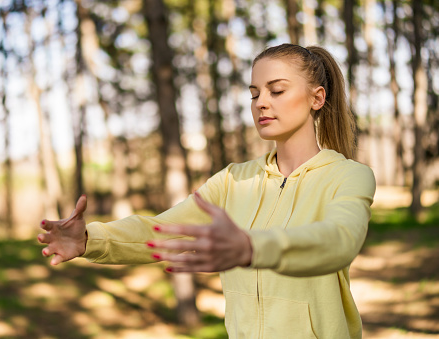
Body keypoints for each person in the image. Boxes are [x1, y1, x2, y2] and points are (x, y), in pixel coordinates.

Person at [37, 43, 376, 339]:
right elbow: (163, 231)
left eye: (277, 90)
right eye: (255, 93)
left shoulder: (349, 176)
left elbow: (338, 240)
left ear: (317, 98)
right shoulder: (233, 180)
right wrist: (89, 240)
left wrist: (250, 248)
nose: (261, 103)